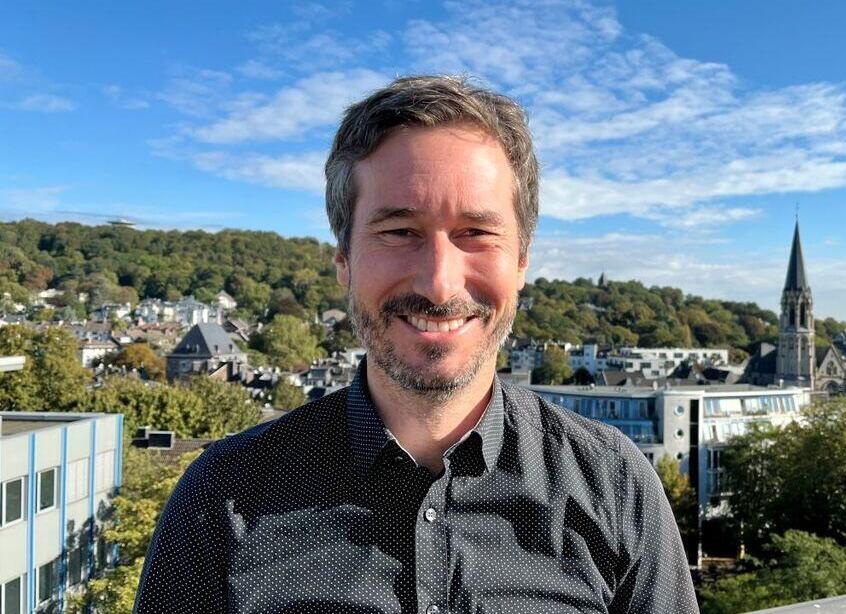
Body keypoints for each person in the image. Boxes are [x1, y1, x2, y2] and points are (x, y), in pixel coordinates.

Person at [134, 75, 699, 614]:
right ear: (343, 261)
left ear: (521, 261)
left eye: (476, 234)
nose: (439, 283)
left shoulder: (614, 486)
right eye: (400, 232)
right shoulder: (225, 497)